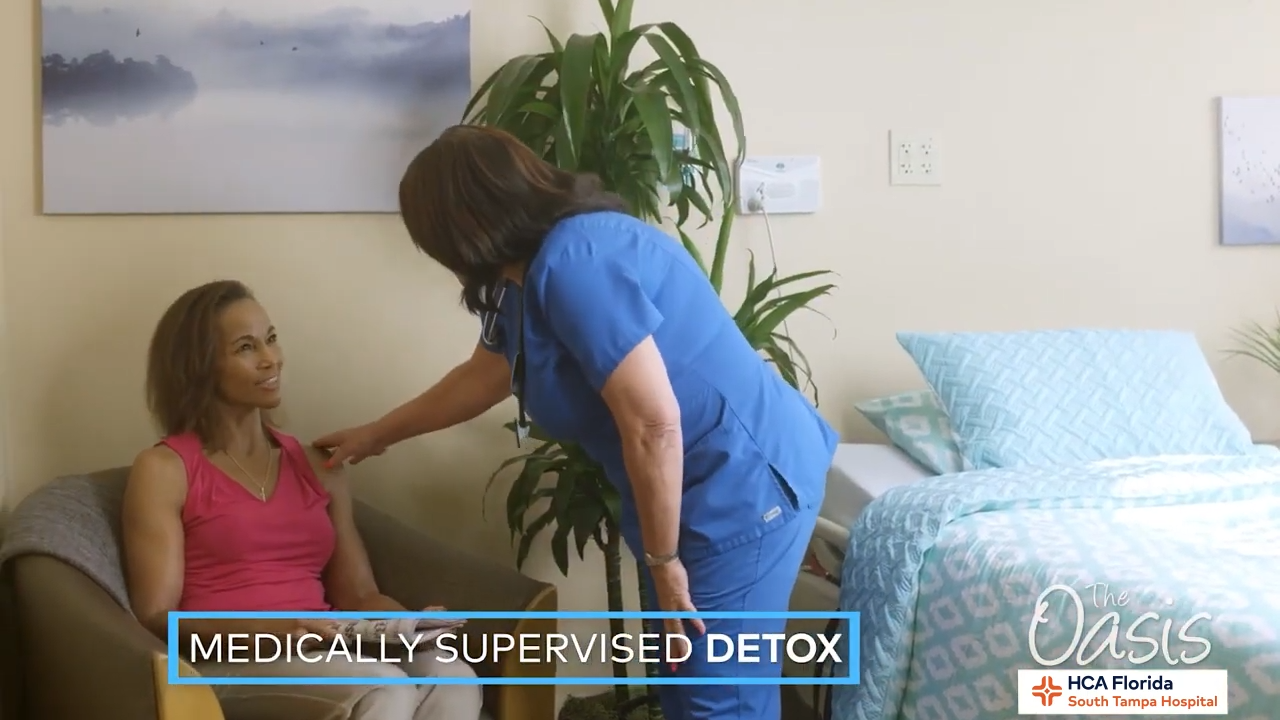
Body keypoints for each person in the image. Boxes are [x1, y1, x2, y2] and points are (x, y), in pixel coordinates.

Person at [314, 125, 839, 720]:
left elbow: (653, 424)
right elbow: (484, 374)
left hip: (742, 489)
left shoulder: (577, 260)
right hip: (686, 494)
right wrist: (375, 435)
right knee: (684, 683)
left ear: (463, 226)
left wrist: (664, 564)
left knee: (718, 701)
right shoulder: (522, 278)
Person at [120, 279, 483, 720]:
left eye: (271, 339)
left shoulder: (317, 465)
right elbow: (158, 616)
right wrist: (274, 630)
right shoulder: (165, 468)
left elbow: (359, 595)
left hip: (327, 649)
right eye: (246, 347)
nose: (271, 358)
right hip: (227, 662)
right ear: (199, 366)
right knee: (382, 688)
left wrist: (409, 626)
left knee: (453, 675)